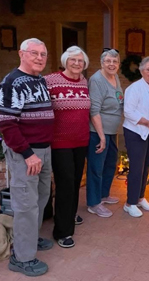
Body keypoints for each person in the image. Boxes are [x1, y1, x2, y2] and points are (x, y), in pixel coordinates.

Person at [0, 38, 54, 276]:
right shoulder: (12, 83)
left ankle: (30, 238)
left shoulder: (38, 79)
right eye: (35, 53)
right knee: (26, 205)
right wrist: (28, 154)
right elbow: (7, 123)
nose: (40, 58)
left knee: (41, 197)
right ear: (22, 54)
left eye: (43, 54)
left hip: (42, 150)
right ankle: (22, 258)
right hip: (26, 153)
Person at [45, 46, 90, 248]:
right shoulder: (50, 80)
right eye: (73, 60)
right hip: (59, 141)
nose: (77, 63)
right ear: (65, 61)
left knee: (75, 181)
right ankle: (62, 232)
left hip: (80, 141)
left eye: (80, 61)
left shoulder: (84, 82)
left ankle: (69, 215)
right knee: (65, 182)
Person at [123, 56, 149, 218]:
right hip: (136, 132)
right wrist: (148, 123)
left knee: (146, 166)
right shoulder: (134, 89)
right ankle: (130, 203)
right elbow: (128, 111)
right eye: (148, 69)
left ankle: (140, 198)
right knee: (136, 168)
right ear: (141, 71)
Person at [86, 49, 123, 218]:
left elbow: (119, 100)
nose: (111, 64)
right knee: (96, 168)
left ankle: (103, 195)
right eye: (108, 61)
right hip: (98, 132)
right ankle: (94, 203)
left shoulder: (114, 77)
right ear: (102, 63)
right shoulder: (97, 80)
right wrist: (101, 136)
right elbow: (94, 110)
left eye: (115, 62)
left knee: (110, 165)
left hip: (112, 131)